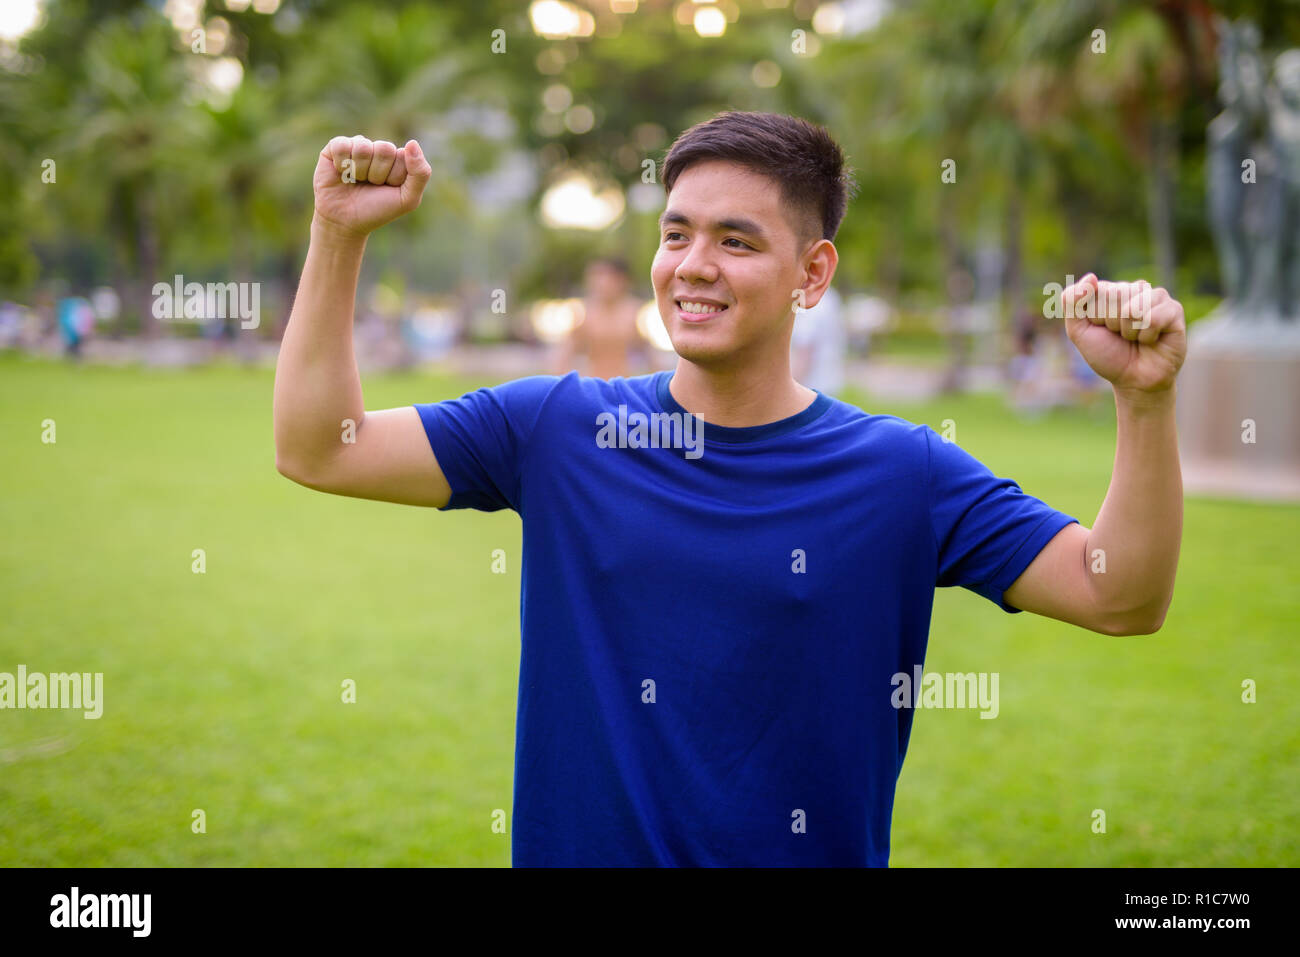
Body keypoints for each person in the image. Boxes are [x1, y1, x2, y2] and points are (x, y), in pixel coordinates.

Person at [273, 112, 1187, 867]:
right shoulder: (554, 428)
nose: (693, 264)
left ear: (812, 274)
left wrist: (1144, 403)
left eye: (736, 240)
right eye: (677, 233)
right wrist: (336, 234)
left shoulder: (902, 473)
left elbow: (1119, 594)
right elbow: (321, 448)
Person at [555, 257, 647, 379]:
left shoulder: (634, 311)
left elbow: (649, 352)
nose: (602, 283)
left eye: (608, 277)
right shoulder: (583, 313)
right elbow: (563, 356)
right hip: (594, 384)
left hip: (623, 383)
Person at [790, 281, 845, 396]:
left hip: (809, 386)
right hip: (827, 382)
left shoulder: (809, 301)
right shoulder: (830, 296)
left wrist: (790, 388)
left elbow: (804, 350)